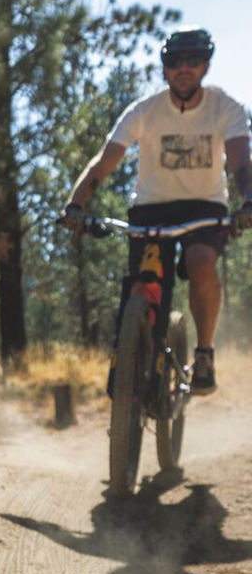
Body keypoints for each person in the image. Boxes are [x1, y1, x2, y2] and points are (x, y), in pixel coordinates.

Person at [63, 27, 252, 394]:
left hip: (205, 206)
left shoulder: (224, 108)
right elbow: (104, 163)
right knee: (140, 284)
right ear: (164, 68)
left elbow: (241, 162)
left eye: (193, 60)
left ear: (205, 66)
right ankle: (134, 360)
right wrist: (75, 205)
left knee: (200, 262)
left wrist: (249, 199)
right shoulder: (145, 112)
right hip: (150, 208)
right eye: (174, 61)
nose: (184, 68)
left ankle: (204, 354)